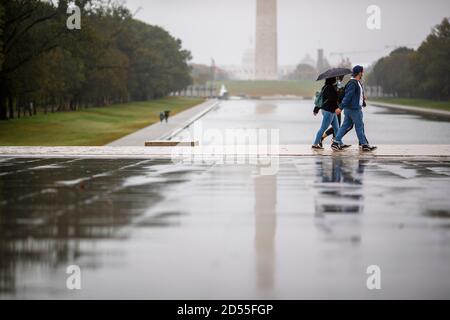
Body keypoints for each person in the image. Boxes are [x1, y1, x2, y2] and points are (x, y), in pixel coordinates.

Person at [331, 65, 377, 152]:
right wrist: (340, 108)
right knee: (359, 127)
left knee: (344, 126)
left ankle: (336, 143)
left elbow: (354, 96)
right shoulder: (353, 83)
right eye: (362, 72)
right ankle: (364, 145)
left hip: (351, 109)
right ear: (359, 73)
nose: (363, 73)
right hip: (354, 110)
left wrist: (362, 99)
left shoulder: (356, 82)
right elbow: (348, 96)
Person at [319, 75, 352, 148]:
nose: (343, 77)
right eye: (342, 76)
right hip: (335, 107)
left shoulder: (338, 84)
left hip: (336, 106)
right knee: (337, 126)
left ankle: (336, 142)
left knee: (337, 126)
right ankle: (325, 138)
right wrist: (341, 92)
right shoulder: (336, 84)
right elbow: (337, 96)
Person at [311, 77, 340, 150]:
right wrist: (337, 93)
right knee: (323, 128)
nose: (336, 80)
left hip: (330, 110)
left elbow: (322, 99)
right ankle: (315, 144)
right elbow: (332, 99)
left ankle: (340, 143)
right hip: (329, 111)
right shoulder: (329, 88)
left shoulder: (326, 87)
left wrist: (316, 109)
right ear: (332, 80)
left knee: (336, 128)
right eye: (335, 79)